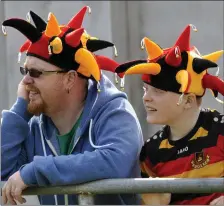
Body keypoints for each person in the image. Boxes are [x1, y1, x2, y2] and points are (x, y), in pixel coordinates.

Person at [1, 6, 143, 205]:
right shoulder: (35, 125)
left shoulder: (115, 111)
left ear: (69, 79)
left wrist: (36, 170)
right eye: (24, 71)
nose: (25, 81)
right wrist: (19, 112)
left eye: (35, 73)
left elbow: (114, 161)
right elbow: (4, 171)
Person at [115, 24, 224, 205]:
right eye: (145, 90)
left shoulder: (220, 131)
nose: (146, 98)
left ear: (188, 101)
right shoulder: (151, 152)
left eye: (158, 92)